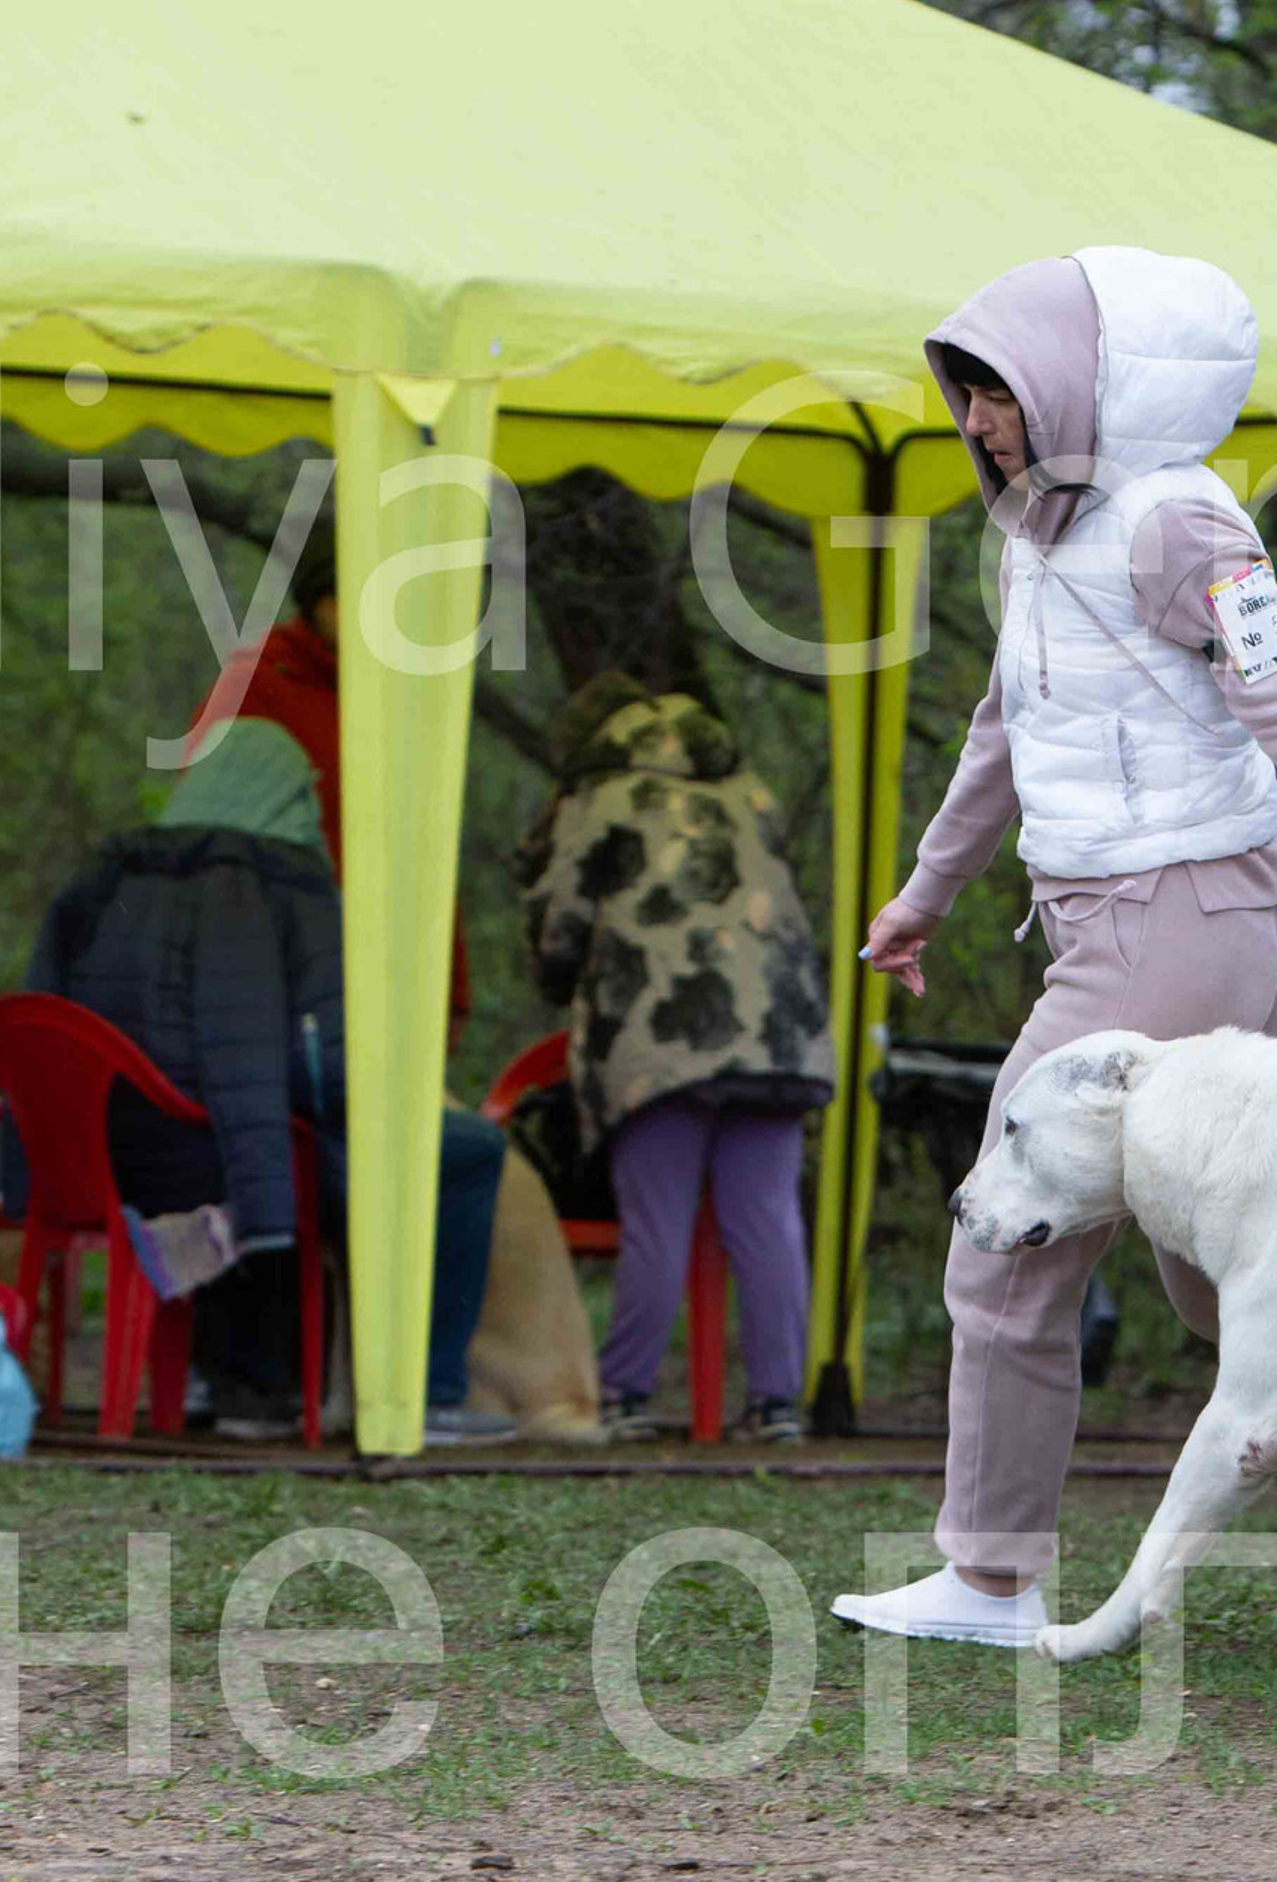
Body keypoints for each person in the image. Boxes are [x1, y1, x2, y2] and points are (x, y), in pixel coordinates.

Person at [834, 246, 1277, 1650]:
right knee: (1224, 1285)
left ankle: (988, 1580)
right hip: (1135, 924)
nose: (977, 421)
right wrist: (927, 894)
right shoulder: (1042, 533)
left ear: (1087, 383)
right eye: (965, 393)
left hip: (1176, 924)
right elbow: (1004, 730)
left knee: (1005, 1241)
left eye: (1002, 393)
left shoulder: (1179, 528)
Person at [20, 722, 512, 1443]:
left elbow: (46, 1014)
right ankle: (428, 1393)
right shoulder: (286, 886)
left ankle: (212, 1376)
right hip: (230, 1168)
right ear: (288, 798)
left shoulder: (102, 883)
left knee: (255, 1137)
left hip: (98, 1163)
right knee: (466, 1153)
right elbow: (327, 1072)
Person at [515, 674, 834, 1443]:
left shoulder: (601, 797)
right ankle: (776, 1404)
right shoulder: (747, 790)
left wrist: (559, 977)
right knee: (766, 1219)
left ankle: (623, 1394)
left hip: (658, 1032)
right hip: (779, 1033)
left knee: (657, 1220)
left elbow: (560, 924)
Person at [173, 528, 472, 1021]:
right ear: (322, 602)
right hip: (279, 981)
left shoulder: (404, 701)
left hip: (393, 983)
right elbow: (204, 847)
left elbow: (425, 848)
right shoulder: (255, 691)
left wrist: (449, 991)